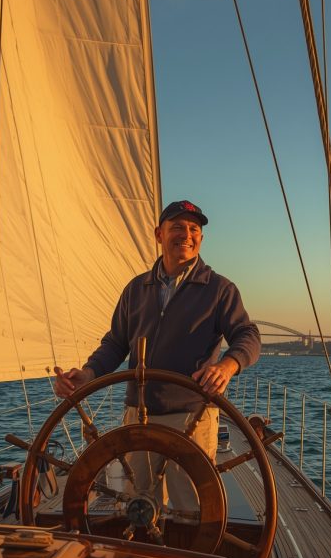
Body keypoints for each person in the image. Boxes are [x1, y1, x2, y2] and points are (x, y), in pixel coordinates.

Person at [54, 199, 260, 516]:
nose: (186, 235)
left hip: (191, 417)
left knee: (192, 512)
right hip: (138, 416)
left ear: (201, 239)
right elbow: (115, 343)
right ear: (158, 234)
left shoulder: (219, 290)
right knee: (139, 508)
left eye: (194, 229)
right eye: (177, 227)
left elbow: (248, 335)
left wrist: (228, 365)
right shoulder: (136, 289)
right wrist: (88, 373)